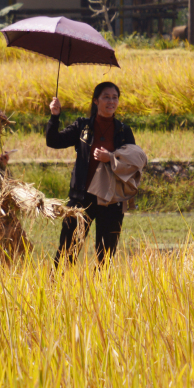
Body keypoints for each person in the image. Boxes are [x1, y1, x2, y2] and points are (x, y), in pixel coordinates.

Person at [46, 82, 137, 266]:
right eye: (106, 97)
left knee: (105, 257)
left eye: (115, 97)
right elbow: (54, 141)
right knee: (66, 251)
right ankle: (55, 291)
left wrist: (110, 158)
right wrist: (54, 116)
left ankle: (100, 294)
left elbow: (132, 164)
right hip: (81, 198)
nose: (111, 101)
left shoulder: (123, 131)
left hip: (111, 200)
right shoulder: (83, 126)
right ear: (96, 101)